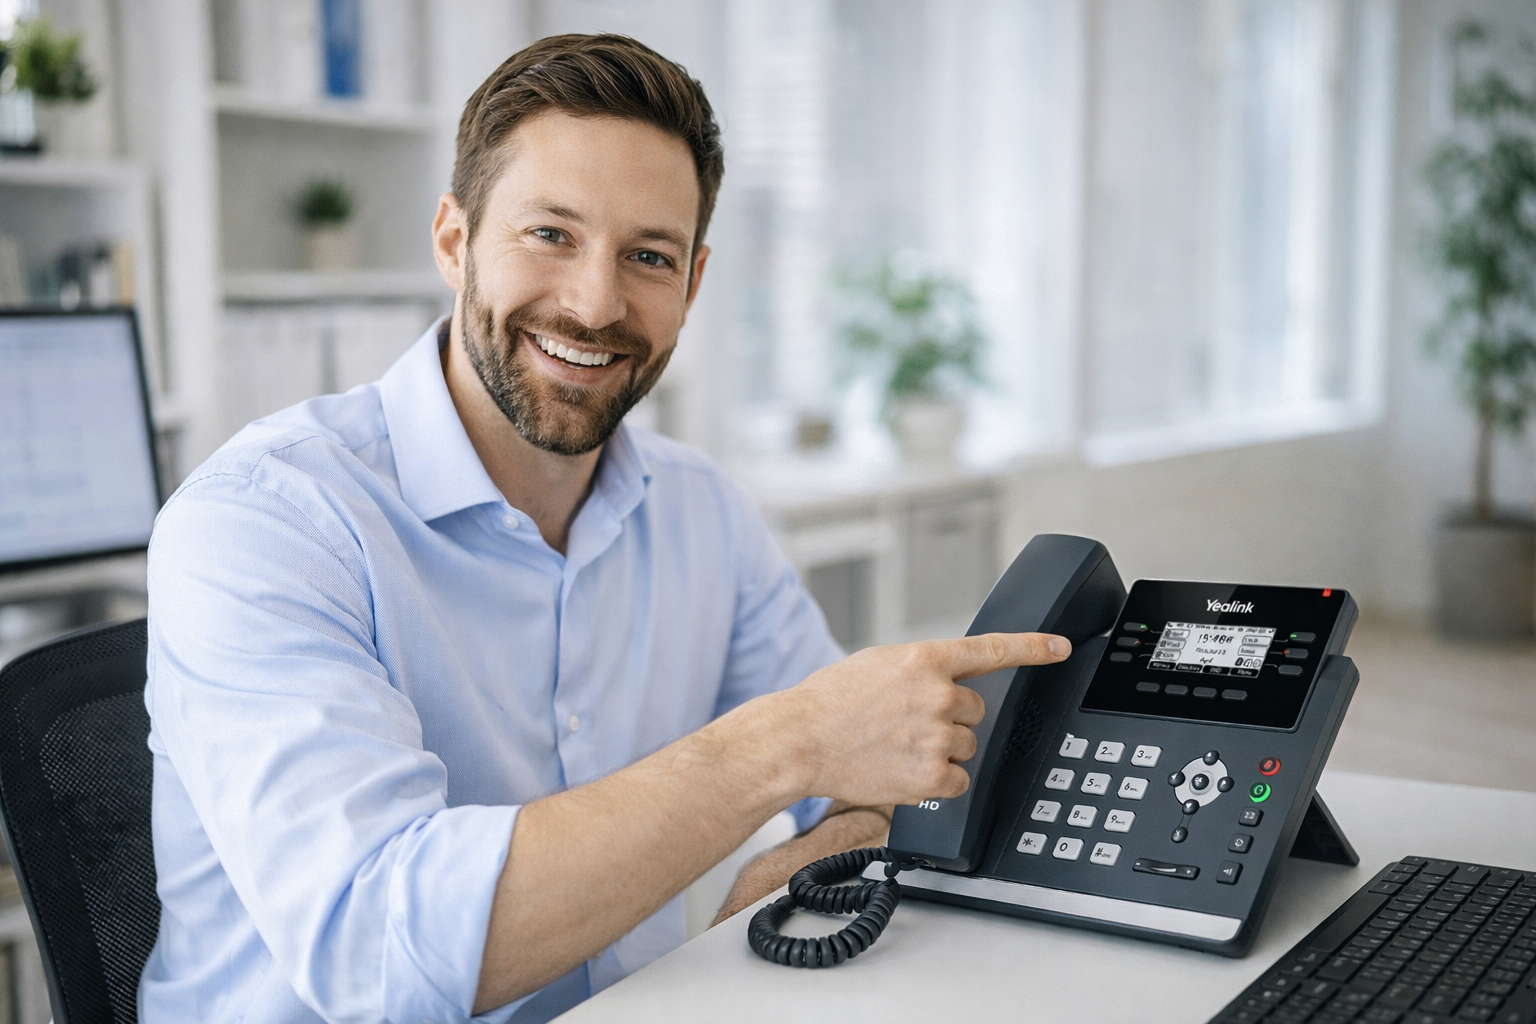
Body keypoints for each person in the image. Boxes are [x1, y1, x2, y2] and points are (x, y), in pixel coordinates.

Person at [140, 33, 1069, 1024]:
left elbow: (864, 780)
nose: (594, 303)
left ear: (692, 286)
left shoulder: (700, 509)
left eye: (648, 257)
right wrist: (787, 741)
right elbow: (380, 954)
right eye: (551, 234)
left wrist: (804, 865)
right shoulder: (262, 522)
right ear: (453, 241)